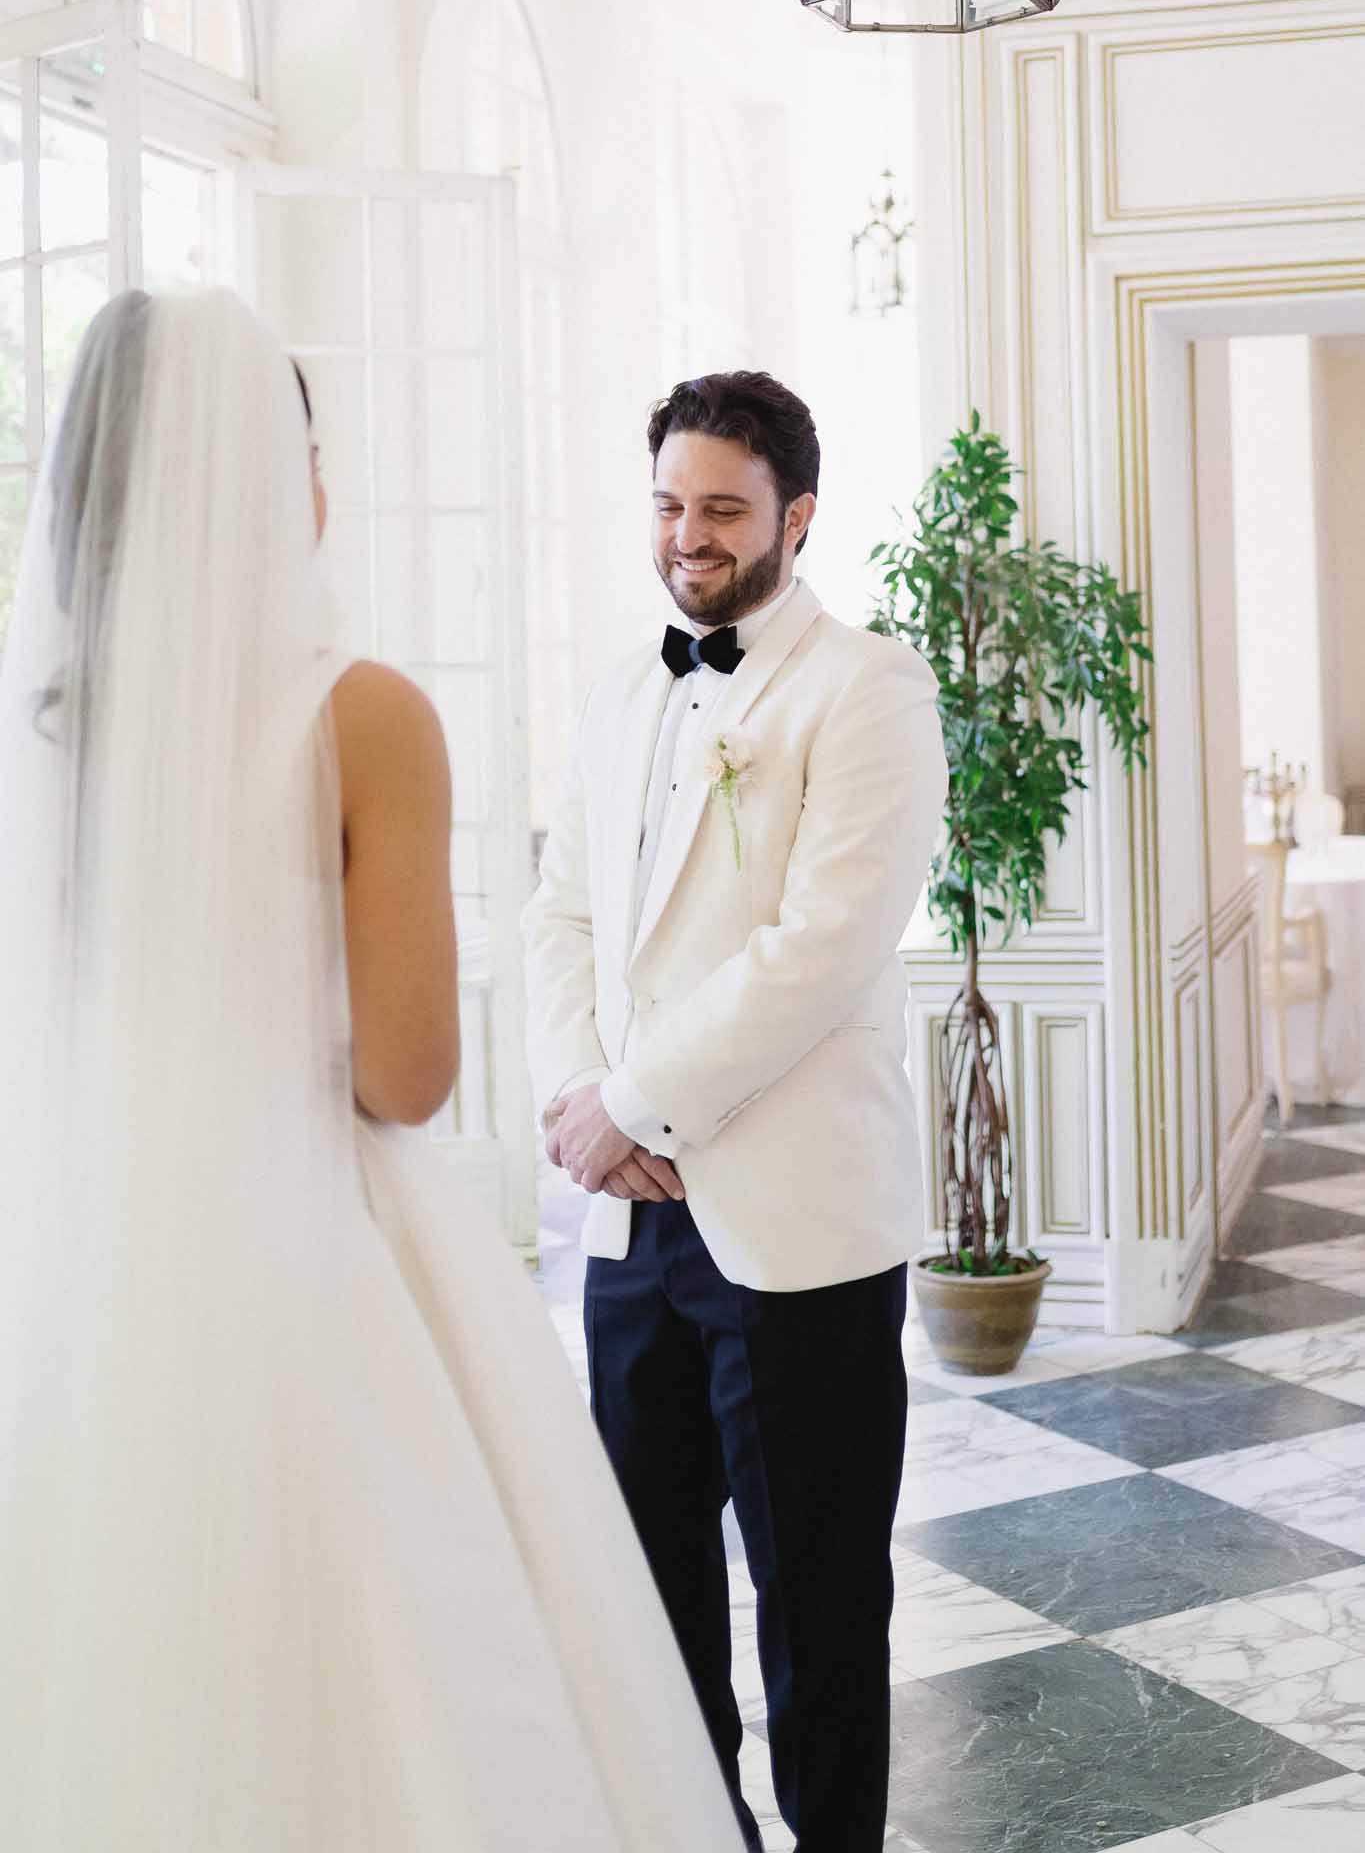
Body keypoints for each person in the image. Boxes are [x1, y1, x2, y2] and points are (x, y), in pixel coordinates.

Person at [0, 288, 747, 1853]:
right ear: (278, 482)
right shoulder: (357, 714)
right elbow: (407, 1075)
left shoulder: (42, 727)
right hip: (300, 1255)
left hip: (79, 1255)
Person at [523, 371, 948, 1853]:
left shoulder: (868, 687)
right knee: (650, 1614)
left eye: (719, 508)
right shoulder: (622, 691)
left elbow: (821, 952)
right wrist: (584, 1109)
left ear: (796, 516)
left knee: (820, 1610)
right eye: (667, 503)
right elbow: (561, 913)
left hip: (800, 1233)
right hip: (630, 1229)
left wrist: (638, 1096)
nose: (686, 536)